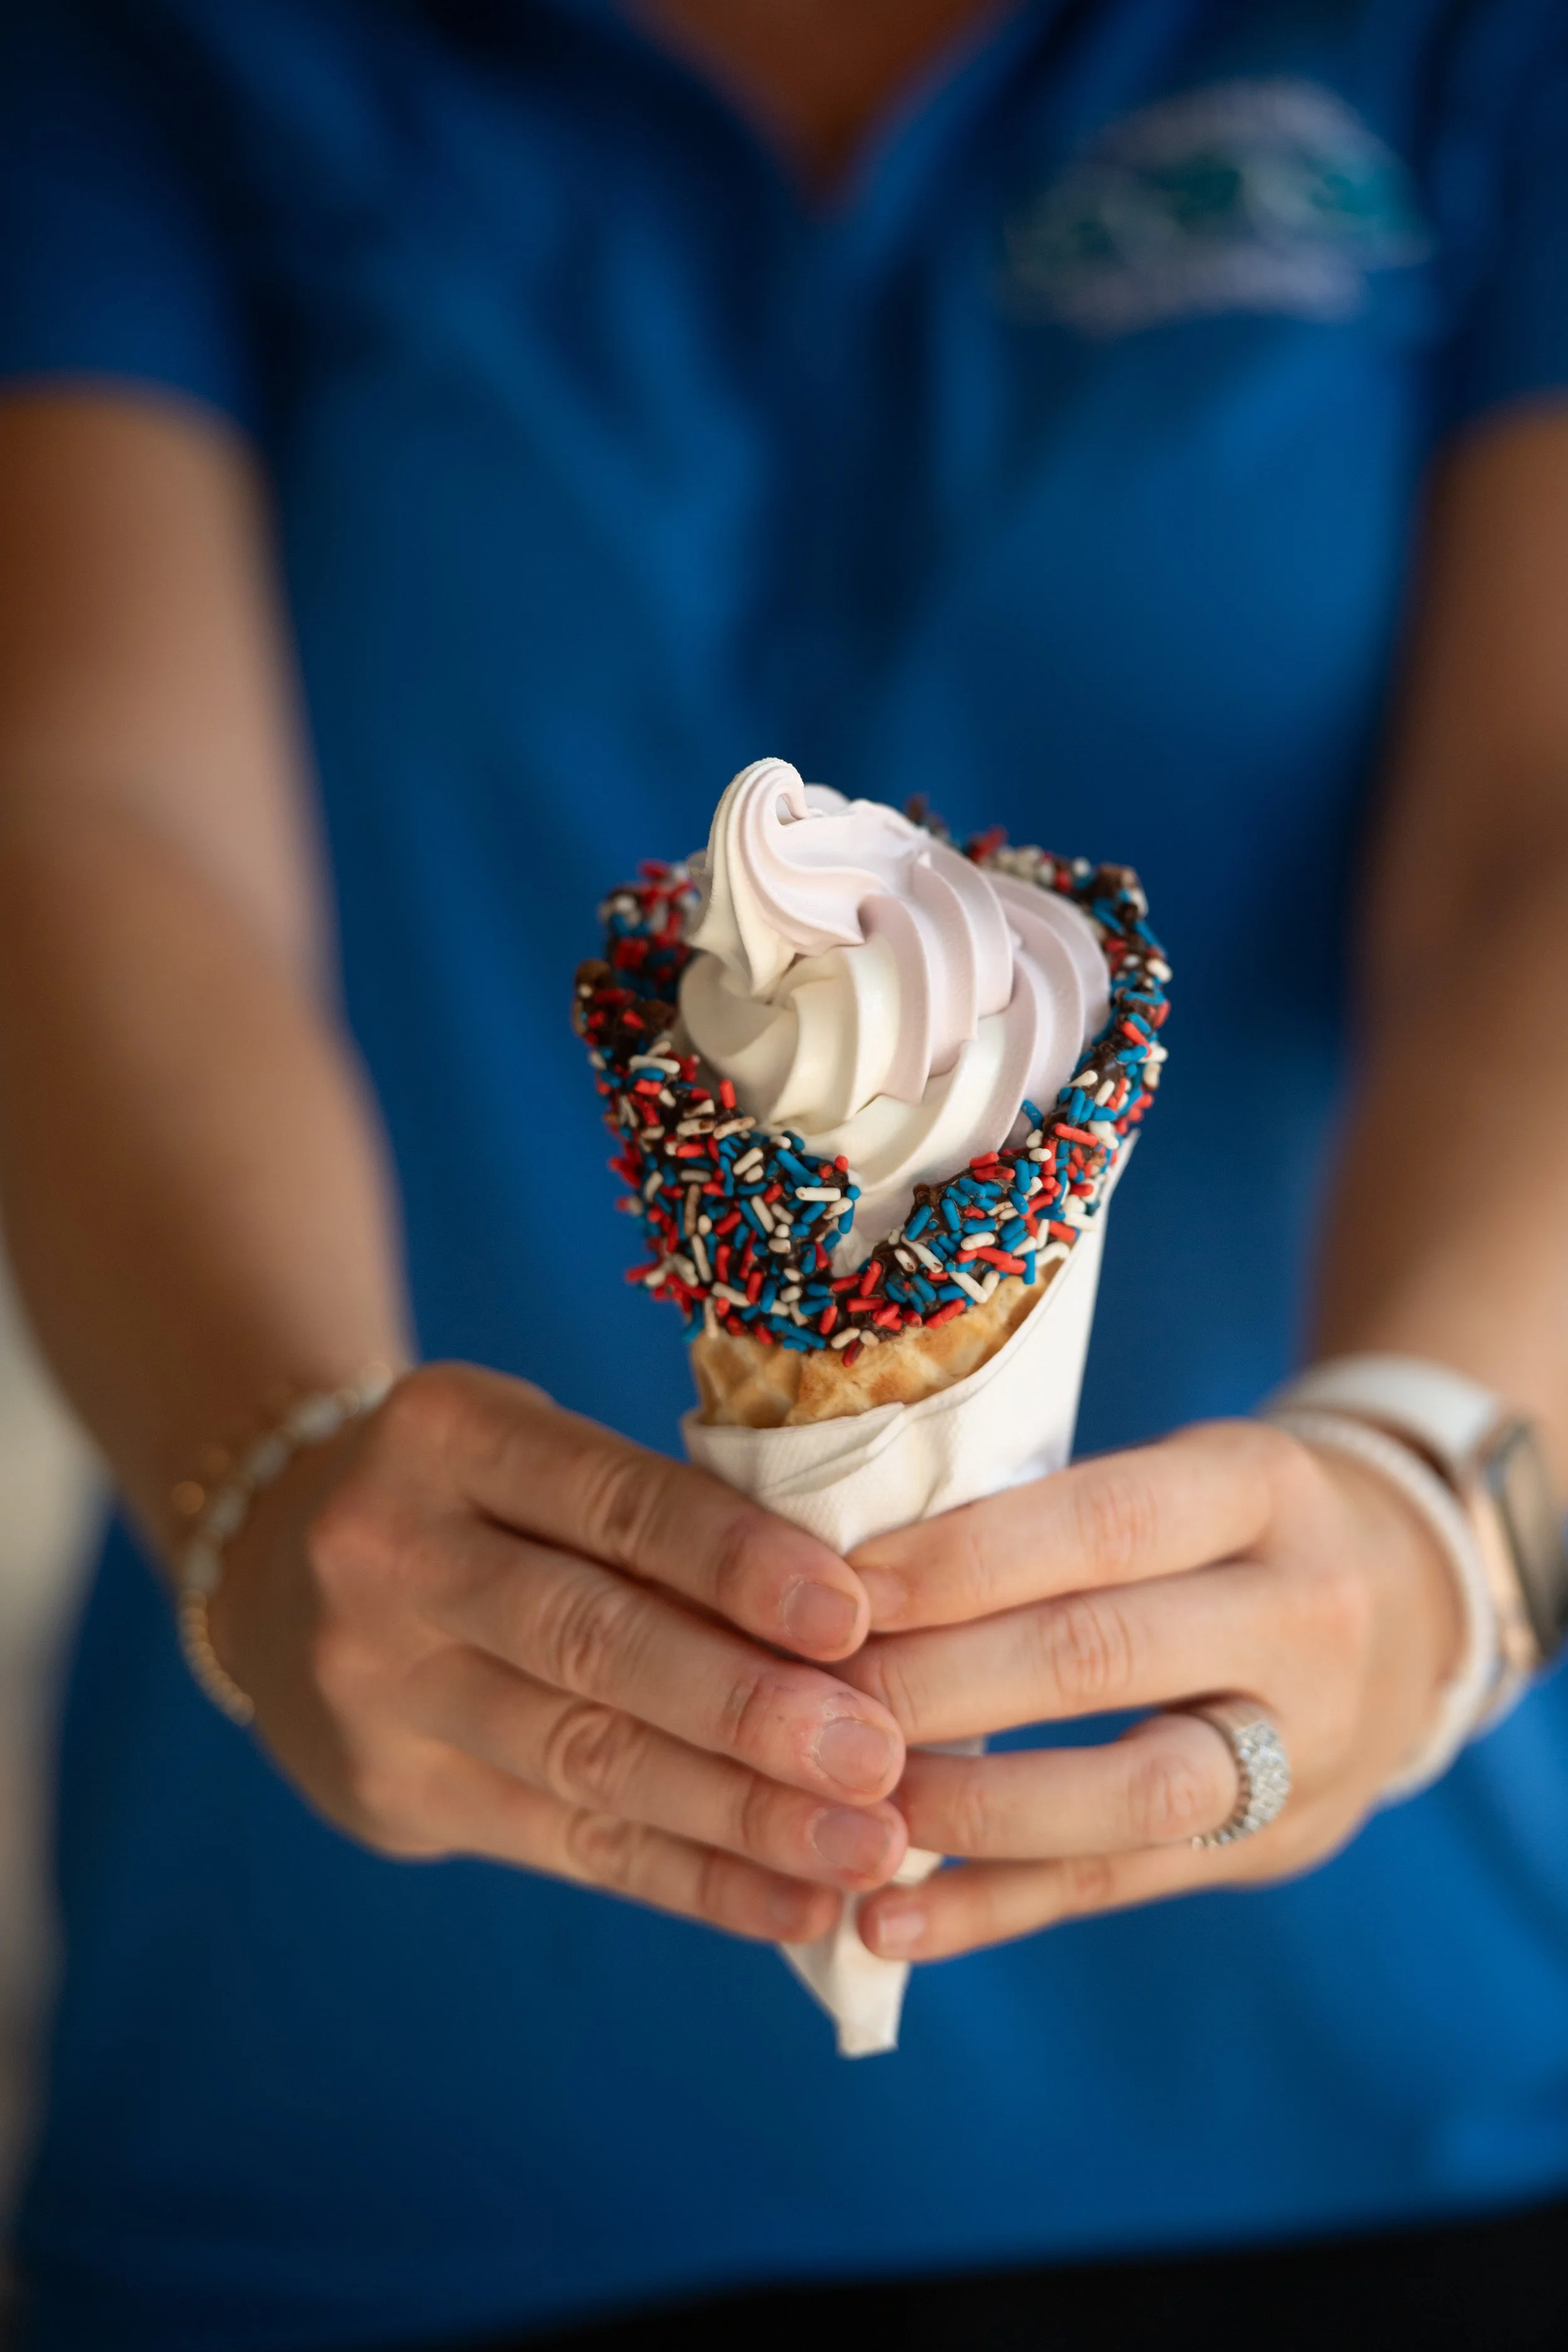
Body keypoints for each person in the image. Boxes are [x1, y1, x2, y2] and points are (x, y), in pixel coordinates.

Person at [0, 1, 1566, 2346]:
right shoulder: (151, 55)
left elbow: (1535, 840)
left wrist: (1456, 1482)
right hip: (372, 2090)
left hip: (1381, 2056)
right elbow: (94, 813)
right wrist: (269, 1465)